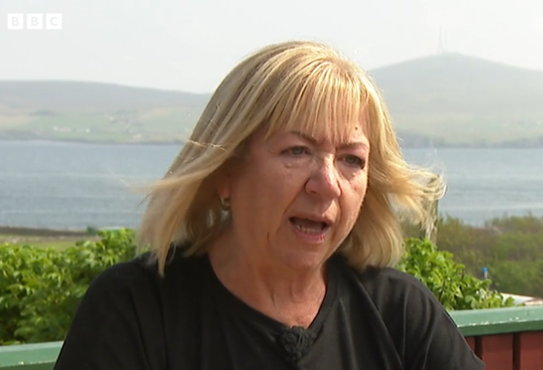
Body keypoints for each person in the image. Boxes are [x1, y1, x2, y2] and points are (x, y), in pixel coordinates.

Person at [53, 40, 485, 370]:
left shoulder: (399, 312)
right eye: (298, 151)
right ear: (226, 171)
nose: (327, 184)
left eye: (351, 159)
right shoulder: (136, 308)